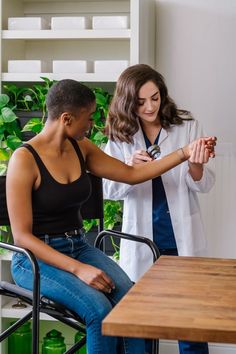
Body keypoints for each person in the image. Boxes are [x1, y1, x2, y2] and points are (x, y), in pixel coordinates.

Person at [6, 79, 215, 354]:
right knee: (99, 311)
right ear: (67, 118)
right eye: (89, 118)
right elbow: (22, 236)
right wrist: (79, 269)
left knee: (133, 302)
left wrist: (184, 153)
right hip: (34, 258)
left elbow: (132, 175)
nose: (92, 125)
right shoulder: (24, 160)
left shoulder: (82, 148)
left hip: (78, 246)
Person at [103, 64, 216, 354]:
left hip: (181, 239)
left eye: (155, 97)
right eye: (141, 102)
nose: (150, 106)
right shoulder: (120, 136)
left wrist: (196, 163)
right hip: (142, 240)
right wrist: (128, 169)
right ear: (128, 102)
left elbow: (203, 185)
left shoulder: (186, 126)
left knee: (189, 323)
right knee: (139, 324)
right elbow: (109, 191)